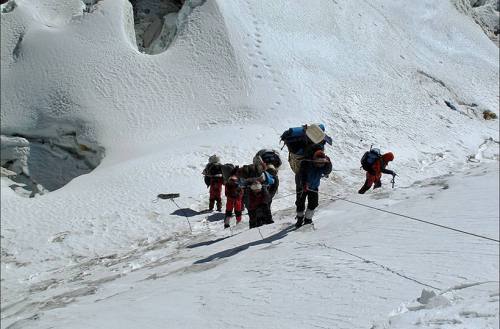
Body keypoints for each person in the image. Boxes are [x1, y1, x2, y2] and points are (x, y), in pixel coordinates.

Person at [295, 150, 332, 228]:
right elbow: (302, 174)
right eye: (319, 162)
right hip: (302, 186)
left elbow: (327, 171)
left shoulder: (324, 165)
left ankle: (308, 219)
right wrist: (304, 184)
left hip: (314, 187)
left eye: (322, 162)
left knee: (313, 203)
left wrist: (329, 163)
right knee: (300, 203)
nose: (321, 164)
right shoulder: (305, 163)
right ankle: (300, 218)